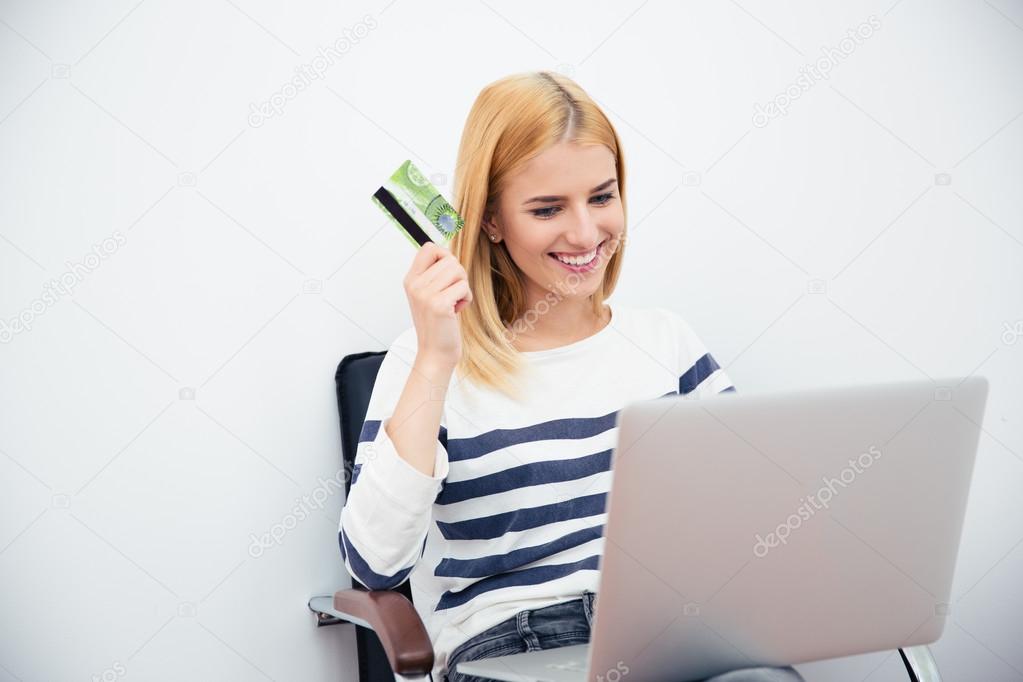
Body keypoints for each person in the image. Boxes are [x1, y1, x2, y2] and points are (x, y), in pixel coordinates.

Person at [338, 71, 804, 682]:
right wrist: (434, 360)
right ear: (491, 221)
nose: (586, 233)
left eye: (602, 197)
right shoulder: (423, 360)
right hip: (513, 645)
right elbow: (375, 566)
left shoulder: (666, 341)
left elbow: (746, 509)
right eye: (547, 208)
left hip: (672, 632)